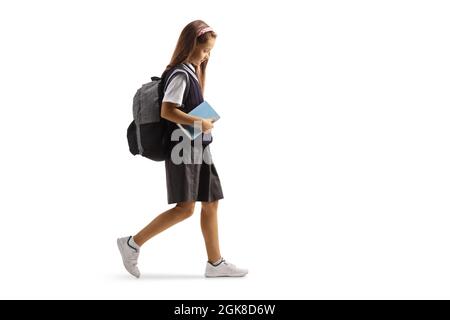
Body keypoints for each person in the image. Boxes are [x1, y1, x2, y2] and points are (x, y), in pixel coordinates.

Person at [117, 20, 248, 278]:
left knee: (211, 202)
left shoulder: (190, 71)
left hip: (198, 145)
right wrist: (199, 121)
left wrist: (200, 113)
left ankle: (215, 263)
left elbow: (187, 105)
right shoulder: (179, 74)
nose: (207, 55)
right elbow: (168, 111)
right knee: (185, 208)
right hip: (183, 147)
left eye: (210, 51)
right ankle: (132, 244)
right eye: (205, 50)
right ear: (191, 44)